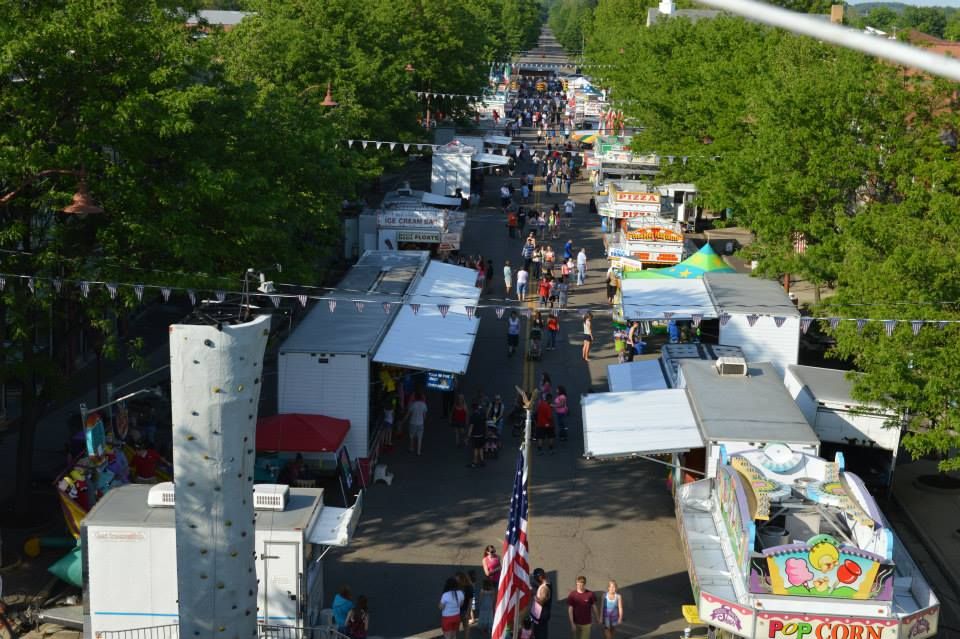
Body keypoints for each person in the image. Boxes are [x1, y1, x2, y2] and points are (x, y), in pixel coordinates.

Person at [531, 568, 553, 639]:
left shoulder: (545, 588)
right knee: (540, 632)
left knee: (540, 634)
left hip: (541, 615)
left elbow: (541, 602)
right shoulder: (545, 584)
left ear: (539, 577)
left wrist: (534, 595)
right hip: (541, 615)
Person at [405, 391, 428, 455]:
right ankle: (418, 451)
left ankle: (411, 448)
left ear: (415, 397)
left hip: (412, 422)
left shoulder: (413, 404)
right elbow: (425, 416)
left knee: (411, 436)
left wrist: (403, 420)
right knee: (420, 437)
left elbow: (408, 414)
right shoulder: (424, 405)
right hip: (420, 423)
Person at [467, 403, 487, 468]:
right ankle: (482, 461)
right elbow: (485, 423)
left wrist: (468, 436)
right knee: (481, 448)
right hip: (482, 434)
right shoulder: (482, 414)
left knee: (475, 449)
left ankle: (474, 462)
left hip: (475, 435)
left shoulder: (473, 416)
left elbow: (471, 427)